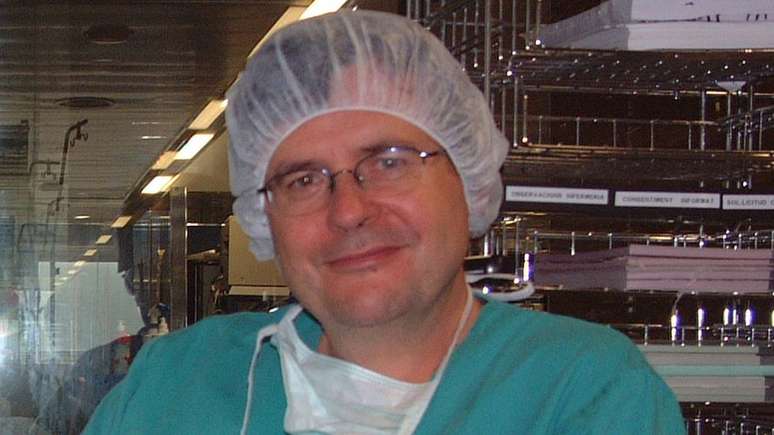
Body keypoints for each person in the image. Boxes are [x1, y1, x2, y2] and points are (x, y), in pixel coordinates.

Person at [84, 10, 685, 434]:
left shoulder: (583, 392)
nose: (348, 210)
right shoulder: (174, 387)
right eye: (303, 180)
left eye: (389, 162)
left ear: (467, 176)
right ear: (263, 216)